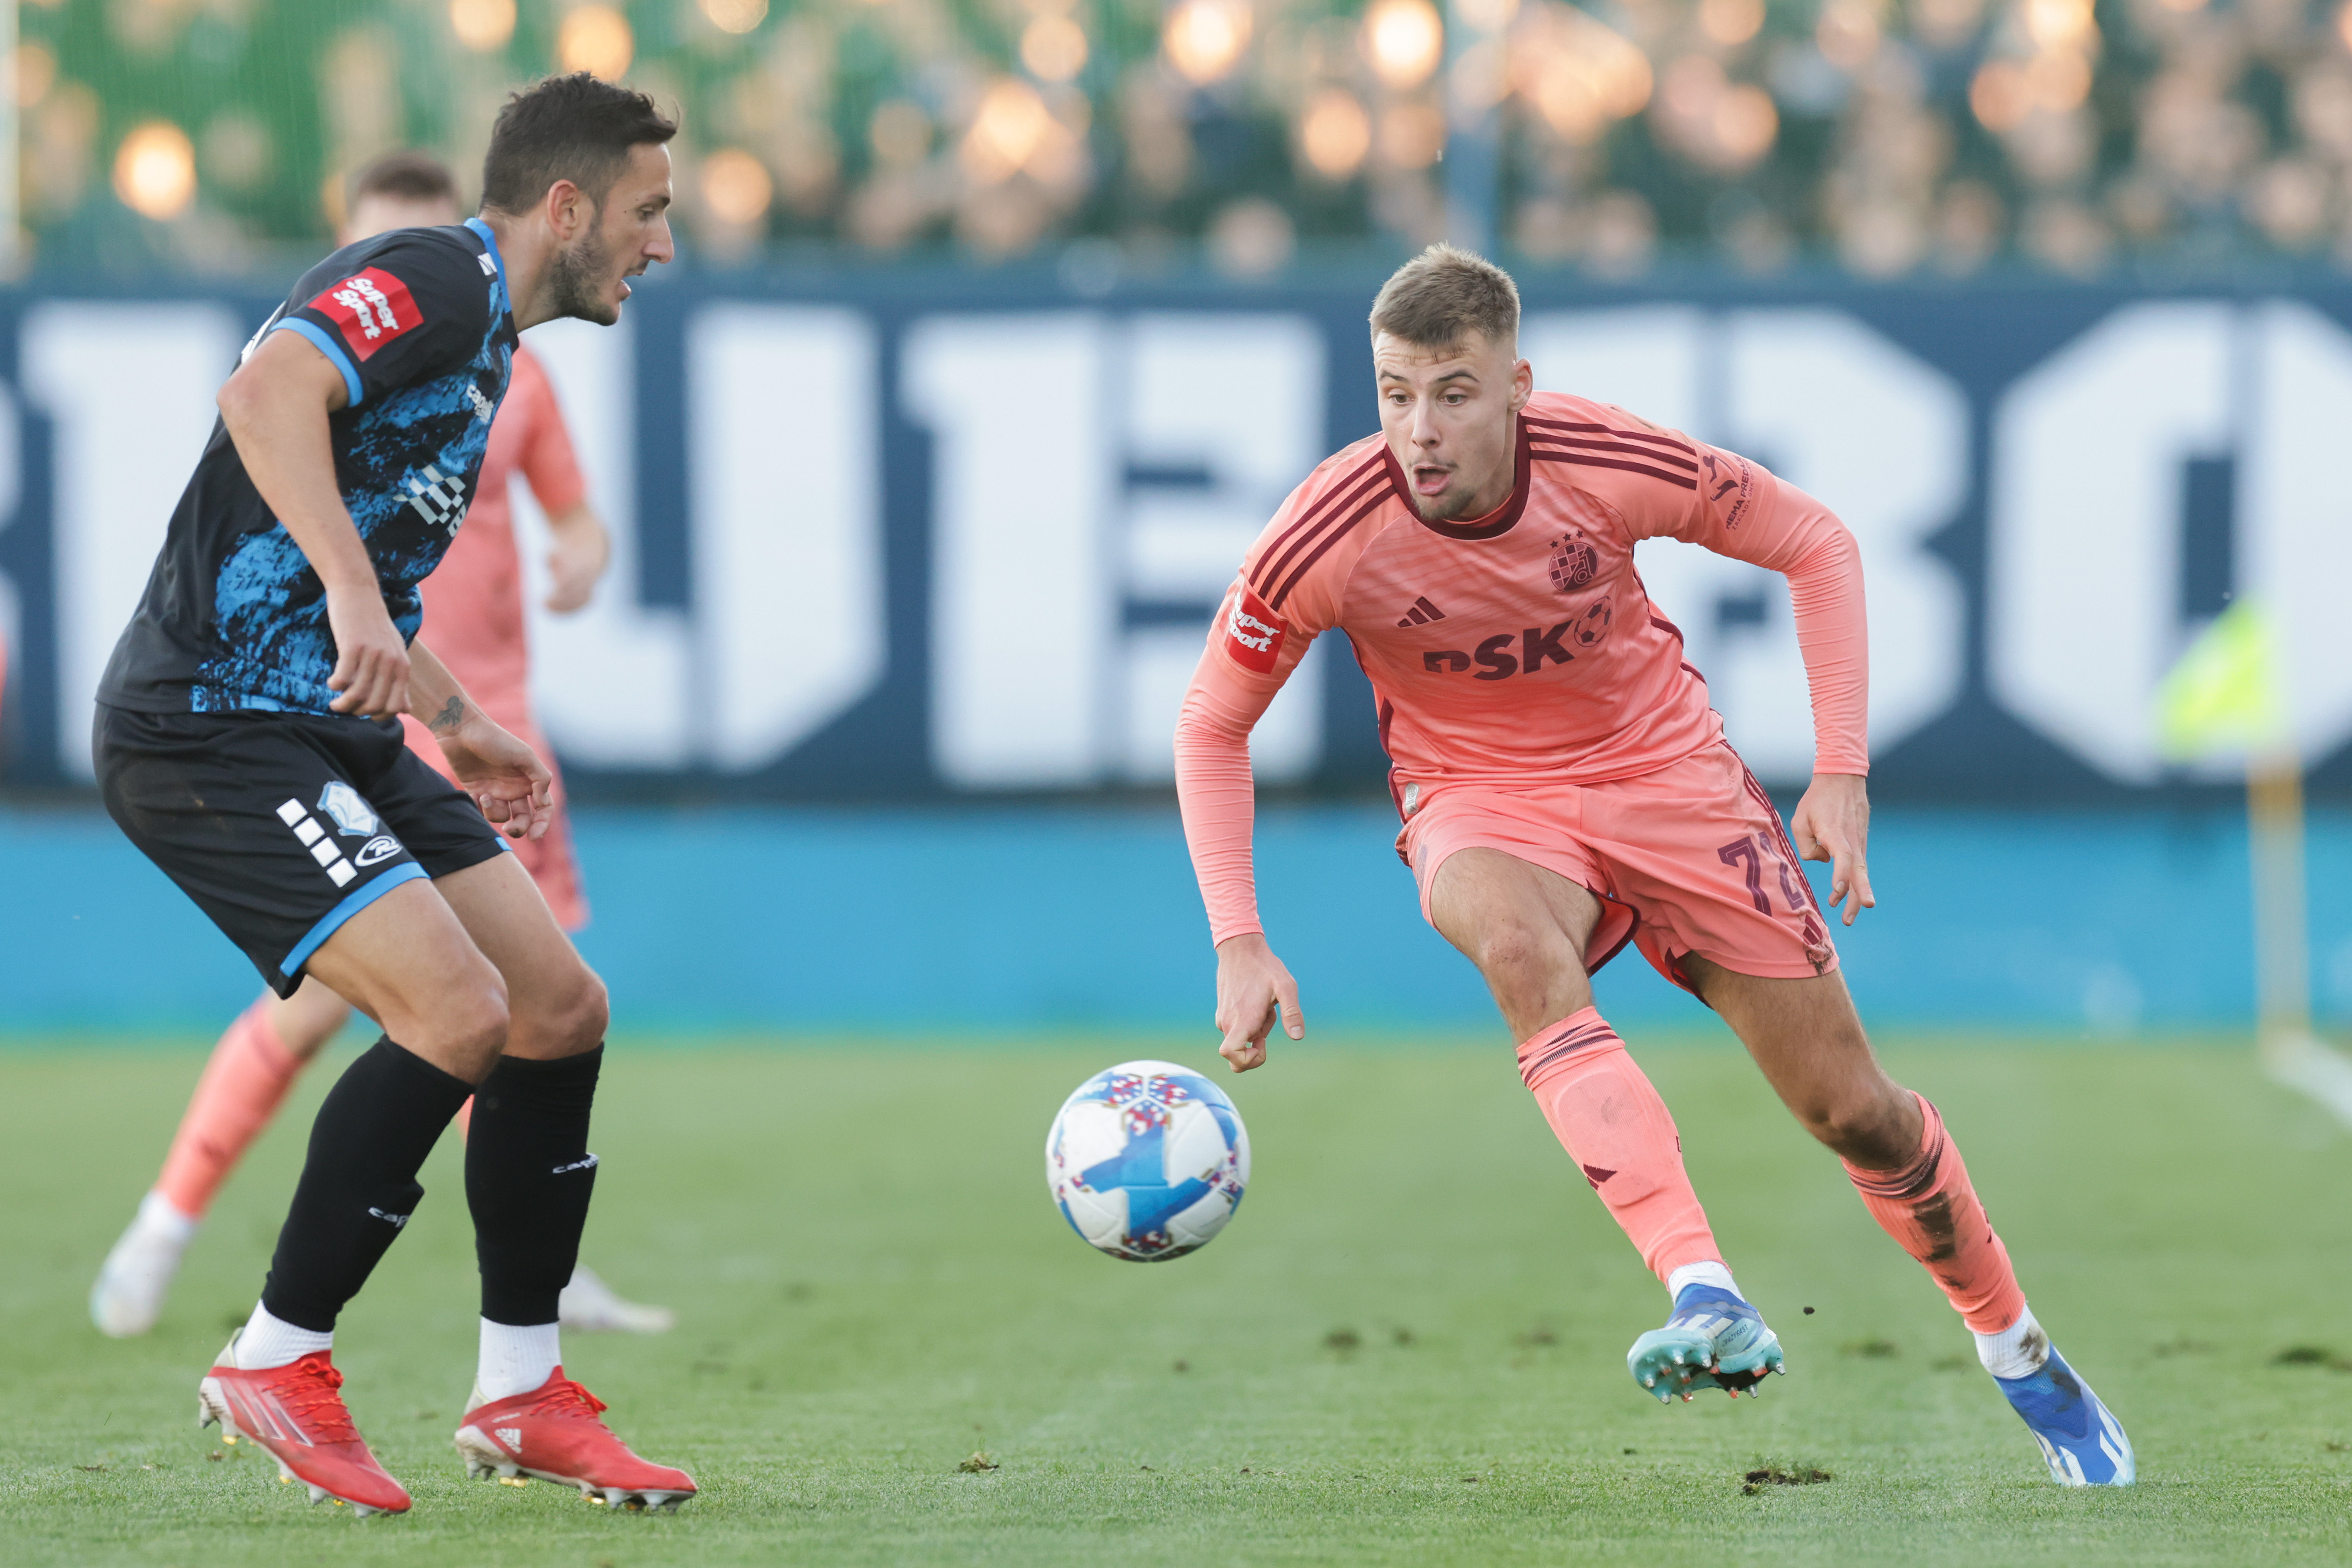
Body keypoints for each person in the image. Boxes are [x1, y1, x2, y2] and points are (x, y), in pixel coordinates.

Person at [1173, 245, 2134, 1488]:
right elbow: (1212, 722)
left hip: (1669, 778)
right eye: (1395, 394)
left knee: (1853, 1111)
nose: (1420, 430)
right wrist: (1238, 936)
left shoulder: (1602, 459)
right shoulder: (1328, 530)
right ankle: (1701, 1287)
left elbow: (1815, 540)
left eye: (1454, 393)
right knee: (1513, 947)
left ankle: (2016, 1348)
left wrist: (1839, 770)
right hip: (1479, 798)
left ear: (1517, 386)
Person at [89, 75, 693, 1515]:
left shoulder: (489, 348)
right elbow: (262, 393)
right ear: (565, 207)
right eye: (647, 210)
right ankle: (277, 1355)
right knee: (455, 1011)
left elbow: (336, 562)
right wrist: (359, 599)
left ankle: (520, 1387)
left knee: (556, 1007)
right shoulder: (437, 273)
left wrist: (460, 722)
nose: (662, 245)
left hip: (325, 723)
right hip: (205, 726)